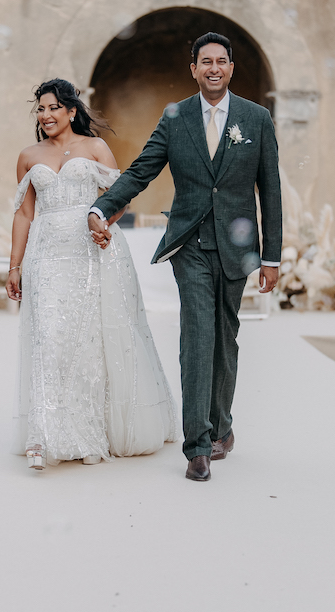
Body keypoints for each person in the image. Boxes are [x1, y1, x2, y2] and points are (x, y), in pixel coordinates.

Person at [87, 32, 283, 483]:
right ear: (193, 70)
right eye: (205, 62)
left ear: (230, 69)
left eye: (221, 61)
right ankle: (197, 444)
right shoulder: (175, 118)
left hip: (237, 248)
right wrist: (102, 207)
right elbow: (142, 169)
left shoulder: (256, 119)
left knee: (225, 337)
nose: (213, 68)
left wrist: (271, 256)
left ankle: (223, 426)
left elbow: (269, 190)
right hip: (190, 243)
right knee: (197, 334)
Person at [7, 78, 178, 470]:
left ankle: (87, 434)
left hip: (90, 253)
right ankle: (43, 436)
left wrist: (102, 225)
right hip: (46, 255)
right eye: (40, 109)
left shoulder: (95, 147)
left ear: (71, 111)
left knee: (87, 342)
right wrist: (14, 265)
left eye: (53, 108)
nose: (46, 115)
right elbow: (24, 212)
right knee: (47, 338)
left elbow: (114, 199)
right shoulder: (28, 155)